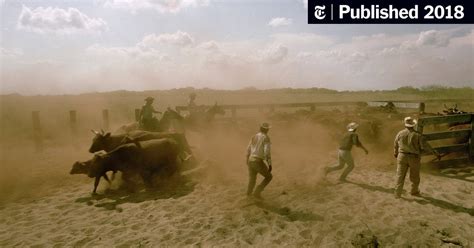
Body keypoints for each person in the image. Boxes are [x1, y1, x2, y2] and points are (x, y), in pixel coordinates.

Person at [393, 117, 439, 198]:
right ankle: (413, 191)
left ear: (405, 125)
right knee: (414, 176)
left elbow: (395, 144)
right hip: (414, 157)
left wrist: (396, 153)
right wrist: (435, 153)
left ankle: (397, 193)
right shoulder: (417, 135)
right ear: (413, 125)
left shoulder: (400, 133)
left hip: (402, 156)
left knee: (400, 175)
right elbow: (425, 146)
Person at [246, 123, 273, 199]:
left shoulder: (254, 136)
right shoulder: (266, 138)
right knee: (269, 177)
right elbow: (267, 152)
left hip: (251, 160)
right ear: (266, 129)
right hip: (258, 161)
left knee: (252, 179)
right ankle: (257, 192)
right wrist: (269, 164)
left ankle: (248, 194)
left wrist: (247, 160)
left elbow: (248, 149)